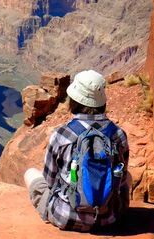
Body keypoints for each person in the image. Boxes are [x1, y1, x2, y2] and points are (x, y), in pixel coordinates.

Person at [24, 70, 130, 232]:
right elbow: (121, 179)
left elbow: (49, 181)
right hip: (109, 217)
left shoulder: (61, 134)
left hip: (65, 216)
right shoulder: (118, 134)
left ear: (74, 101)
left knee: (30, 173)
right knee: (128, 176)